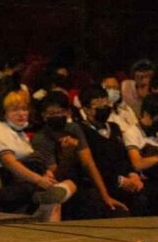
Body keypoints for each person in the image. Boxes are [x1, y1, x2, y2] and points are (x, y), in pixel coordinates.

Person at [32, 91, 126, 219]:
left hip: (81, 181)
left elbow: (88, 163)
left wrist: (106, 196)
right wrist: (67, 154)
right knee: (90, 202)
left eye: (61, 112)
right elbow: (56, 177)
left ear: (68, 113)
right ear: (44, 115)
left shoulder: (74, 129)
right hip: (59, 186)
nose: (58, 116)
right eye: (52, 113)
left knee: (106, 202)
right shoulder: (41, 138)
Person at [0, 90, 76, 220]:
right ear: (4, 112)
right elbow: (10, 163)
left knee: (68, 186)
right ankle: (41, 195)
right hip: (12, 183)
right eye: (15, 110)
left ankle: (46, 198)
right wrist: (39, 180)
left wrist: (44, 173)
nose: (21, 114)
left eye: (24, 109)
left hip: (31, 179)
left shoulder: (21, 134)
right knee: (53, 198)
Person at [77, 85, 148, 216]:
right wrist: (119, 181)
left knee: (145, 196)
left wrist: (132, 174)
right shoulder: (81, 130)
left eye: (106, 104)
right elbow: (92, 164)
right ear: (86, 110)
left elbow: (123, 157)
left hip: (125, 181)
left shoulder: (114, 128)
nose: (104, 108)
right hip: (102, 184)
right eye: (98, 106)